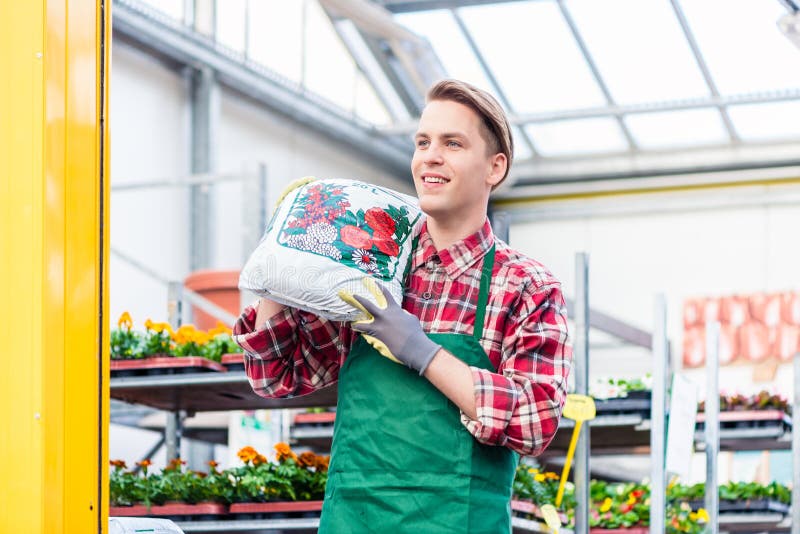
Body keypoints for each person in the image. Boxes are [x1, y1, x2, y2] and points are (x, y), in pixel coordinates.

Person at [233, 79, 572, 533]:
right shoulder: (372, 261)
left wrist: (422, 352)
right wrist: (282, 263)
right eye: (423, 142)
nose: (431, 156)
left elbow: (535, 420)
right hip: (355, 520)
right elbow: (278, 375)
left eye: (453, 143)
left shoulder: (525, 287)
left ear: (495, 167)